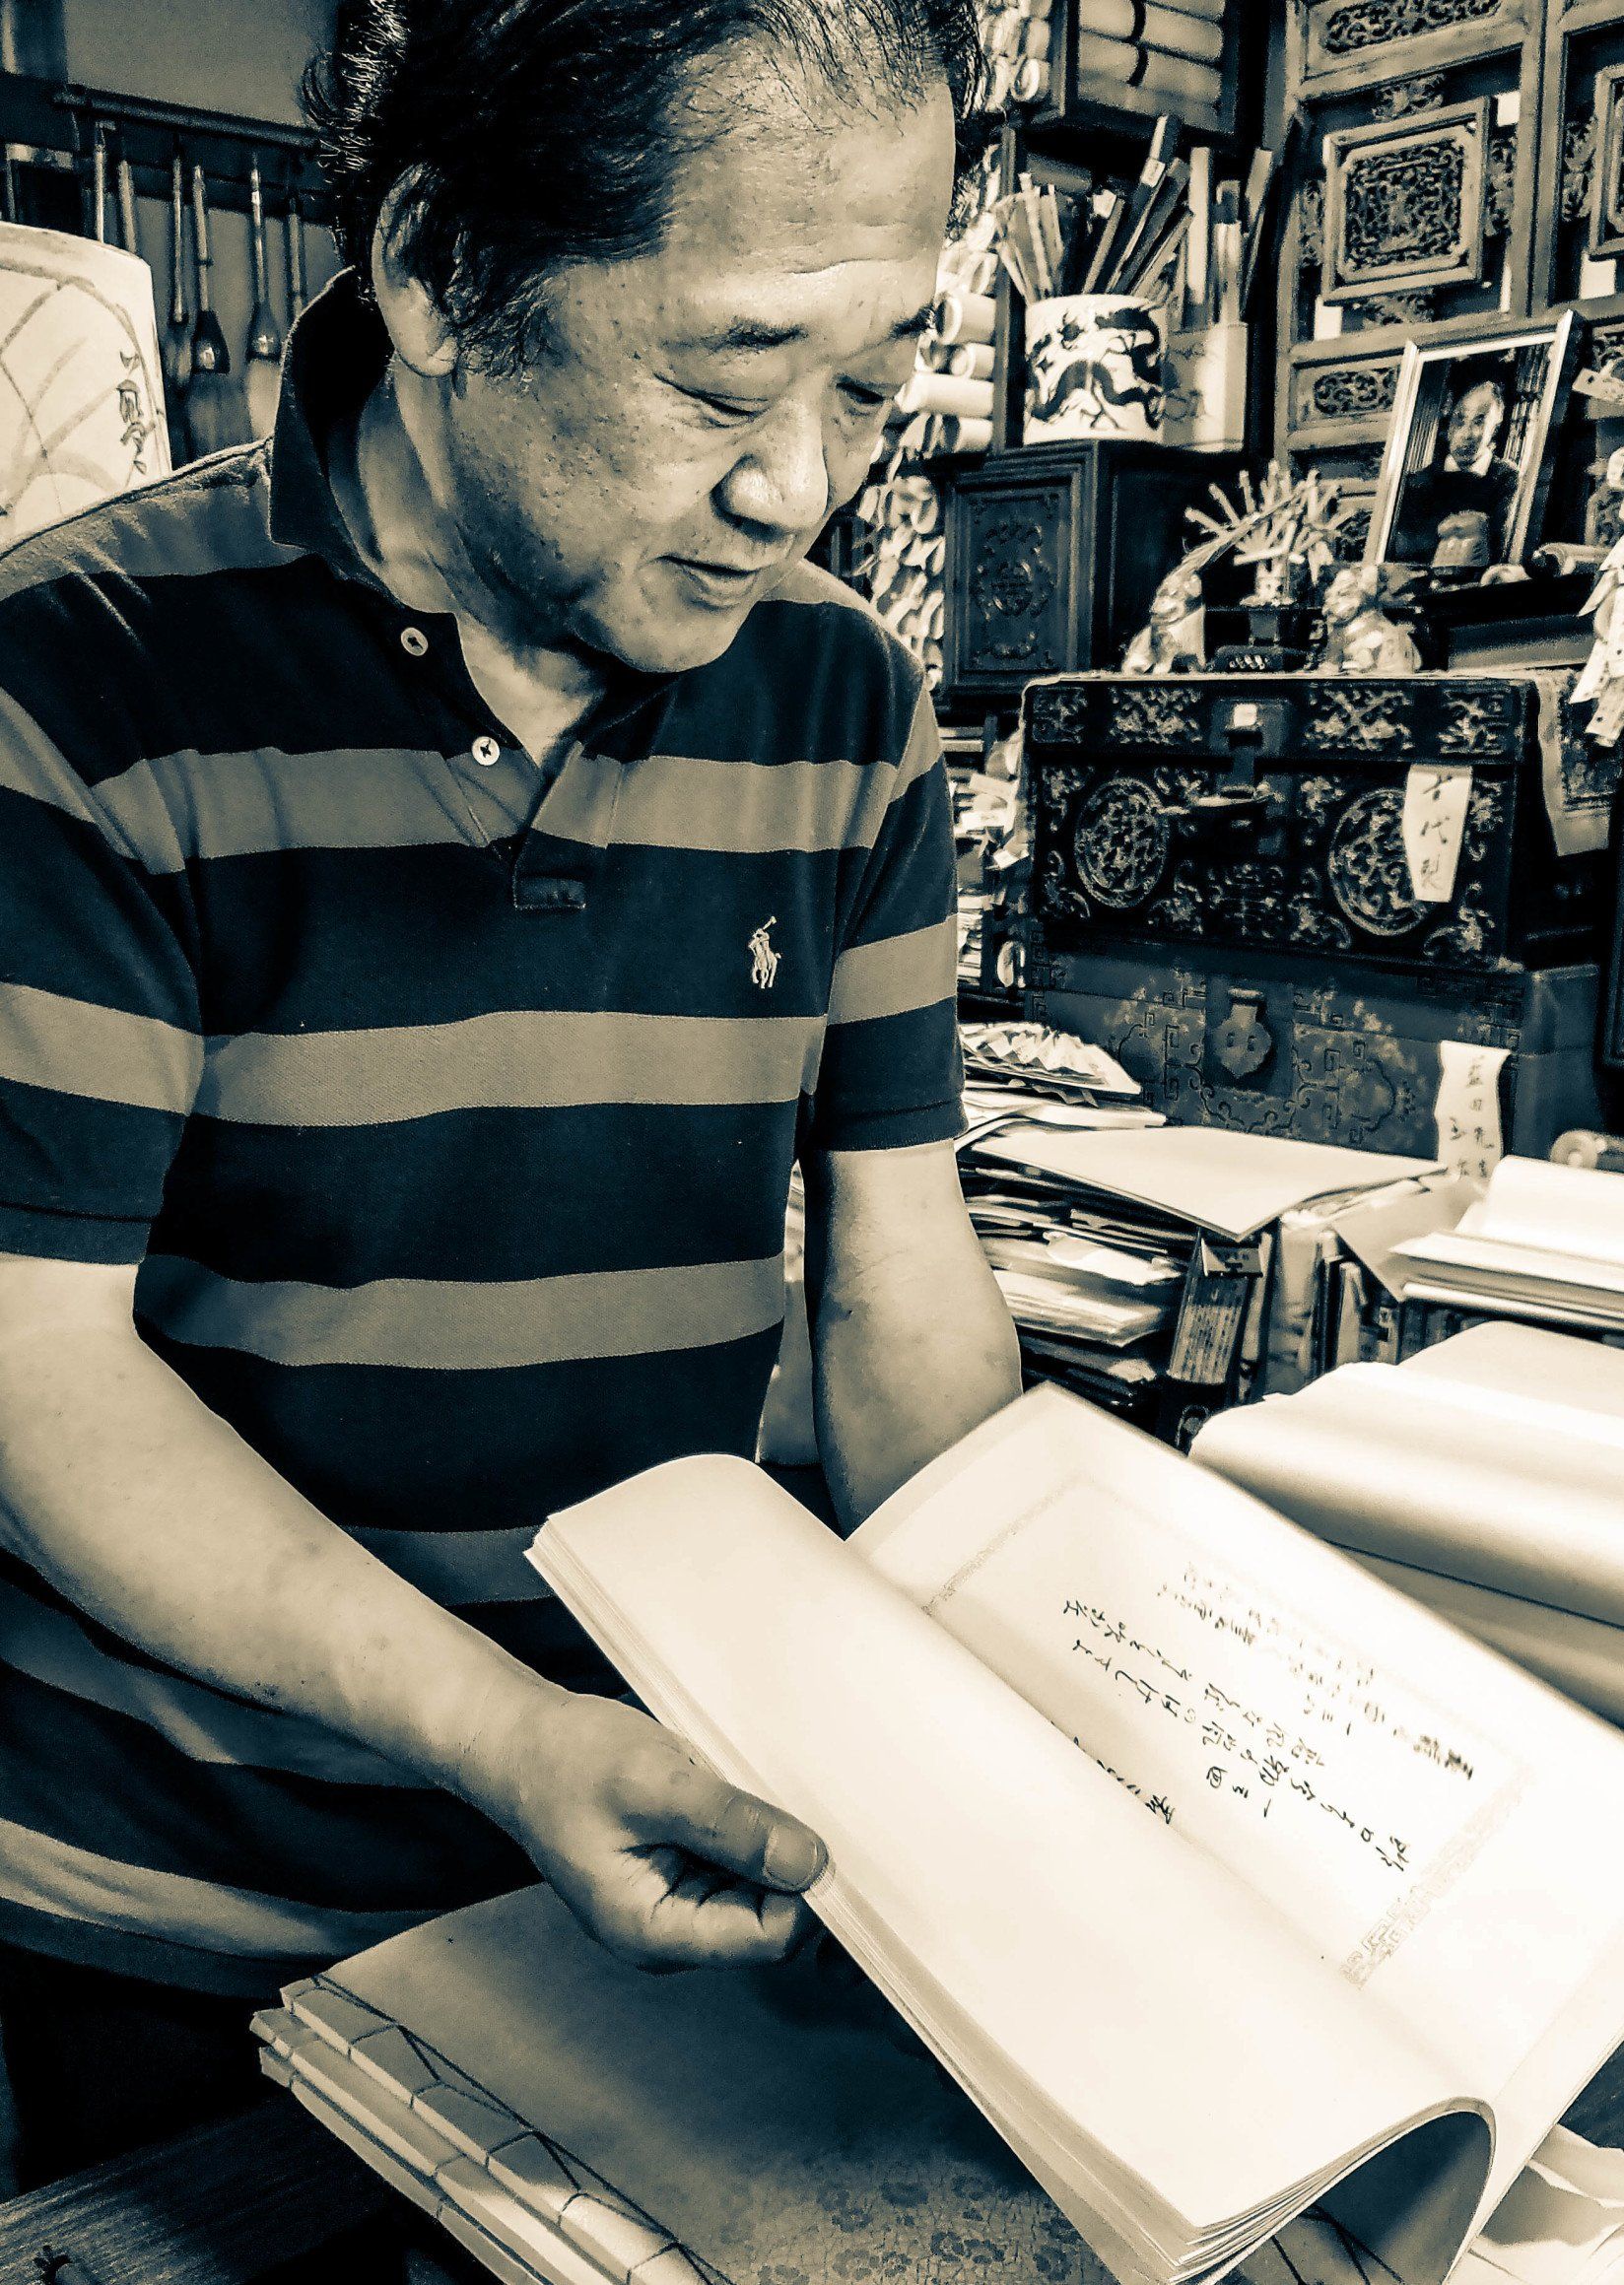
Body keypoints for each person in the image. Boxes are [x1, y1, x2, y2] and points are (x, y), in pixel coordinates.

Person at [0, 0, 1020, 2187]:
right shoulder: (71, 688)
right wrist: (502, 1734)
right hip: (186, 1915)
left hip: (669, 1877)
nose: (798, 488)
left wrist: (1025, 1676)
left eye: (871, 386)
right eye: (726, 383)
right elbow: (32, 1376)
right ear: (441, 272)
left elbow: (899, 1281)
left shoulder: (842, 696)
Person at [1392, 373, 1519, 569]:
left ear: (1495, 428)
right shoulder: (1418, 482)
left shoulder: (1506, 479)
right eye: (1460, 420)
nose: (1467, 434)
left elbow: (1500, 552)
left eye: (1479, 422)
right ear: (1448, 421)